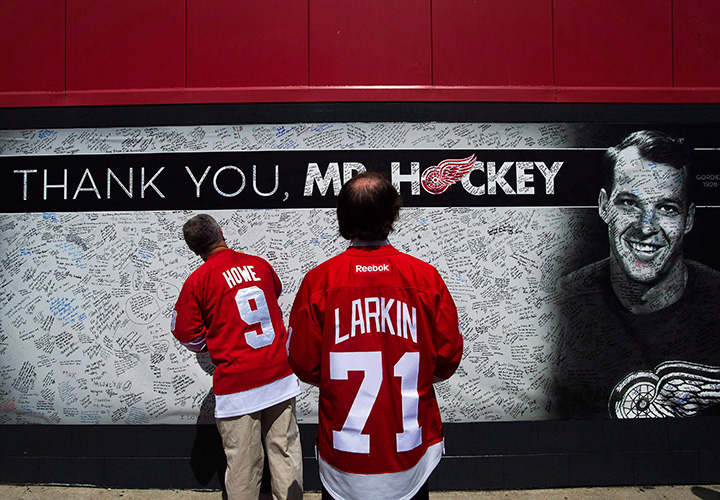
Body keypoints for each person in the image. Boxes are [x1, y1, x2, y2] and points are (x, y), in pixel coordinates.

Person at [287, 172, 463, 500]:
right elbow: (448, 357)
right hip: (410, 456)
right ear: (392, 215)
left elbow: (304, 363)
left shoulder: (318, 282)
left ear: (343, 218)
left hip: (344, 460)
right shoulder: (425, 277)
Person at [555, 130, 720, 419]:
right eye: (630, 203)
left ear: (688, 219)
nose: (646, 227)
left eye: (667, 208)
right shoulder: (559, 306)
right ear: (604, 206)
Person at [171, 214, 303, 500]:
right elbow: (273, 294)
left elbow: (186, 334)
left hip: (237, 384)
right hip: (278, 375)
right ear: (221, 232)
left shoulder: (198, 281)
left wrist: (212, 342)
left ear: (194, 249)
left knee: (243, 464)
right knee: (285, 452)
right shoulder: (259, 264)